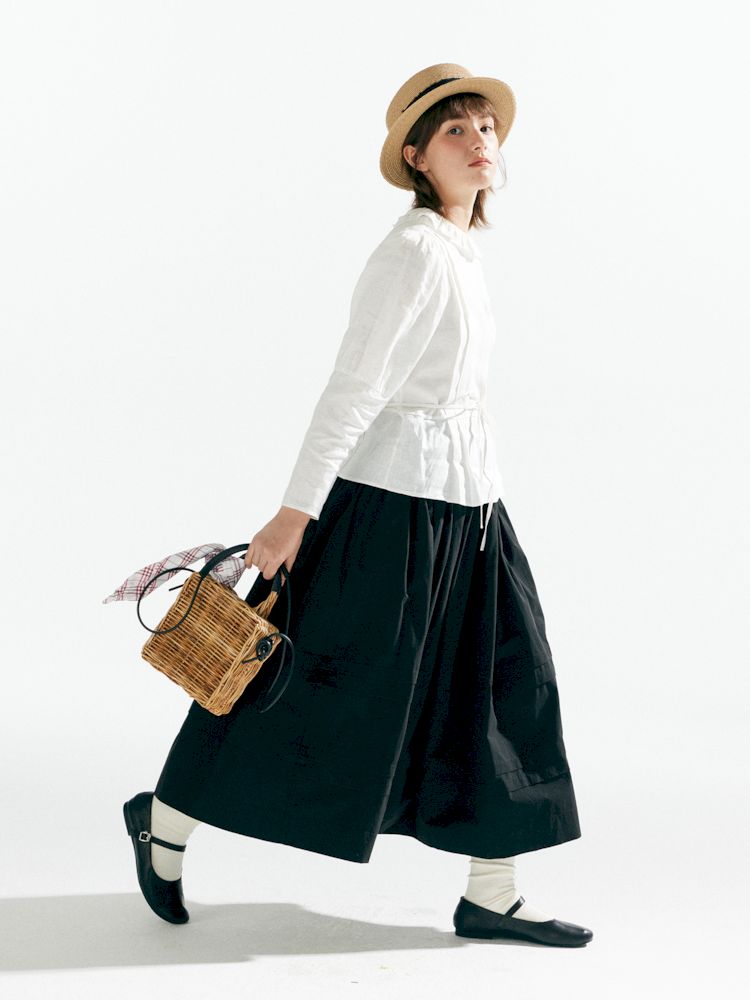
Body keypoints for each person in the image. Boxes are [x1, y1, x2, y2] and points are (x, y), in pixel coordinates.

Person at [123, 63, 593, 948]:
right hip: (392, 511)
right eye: (455, 130)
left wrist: (483, 498)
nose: (479, 140)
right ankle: (167, 820)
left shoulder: (460, 250)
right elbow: (354, 389)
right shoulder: (413, 251)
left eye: (487, 126)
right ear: (416, 156)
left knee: (499, 687)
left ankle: (492, 892)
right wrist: (294, 512)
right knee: (310, 687)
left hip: (471, 511)